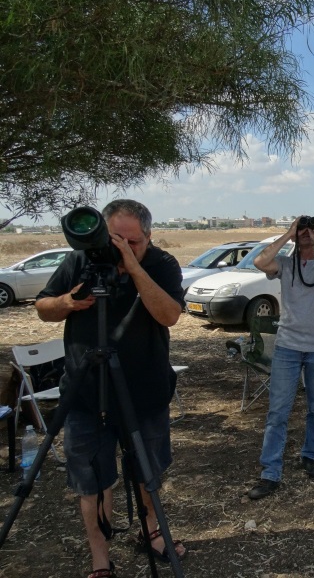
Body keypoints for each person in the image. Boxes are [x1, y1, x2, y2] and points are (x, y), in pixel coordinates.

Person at [36, 200, 186, 578]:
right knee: (91, 480)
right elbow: (43, 307)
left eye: (132, 241)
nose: (121, 246)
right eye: (115, 238)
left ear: (149, 237)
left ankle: (151, 531)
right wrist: (68, 302)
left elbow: (168, 315)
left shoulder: (162, 264)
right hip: (86, 393)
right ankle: (100, 556)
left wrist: (134, 267)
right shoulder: (80, 260)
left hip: (144, 392)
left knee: (148, 471)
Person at [246, 216, 314, 499]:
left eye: (308, 228)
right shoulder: (286, 265)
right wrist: (288, 232)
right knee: (278, 411)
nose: (304, 233)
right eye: (302, 228)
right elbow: (260, 262)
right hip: (288, 345)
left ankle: (310, 456)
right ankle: (270, 472)